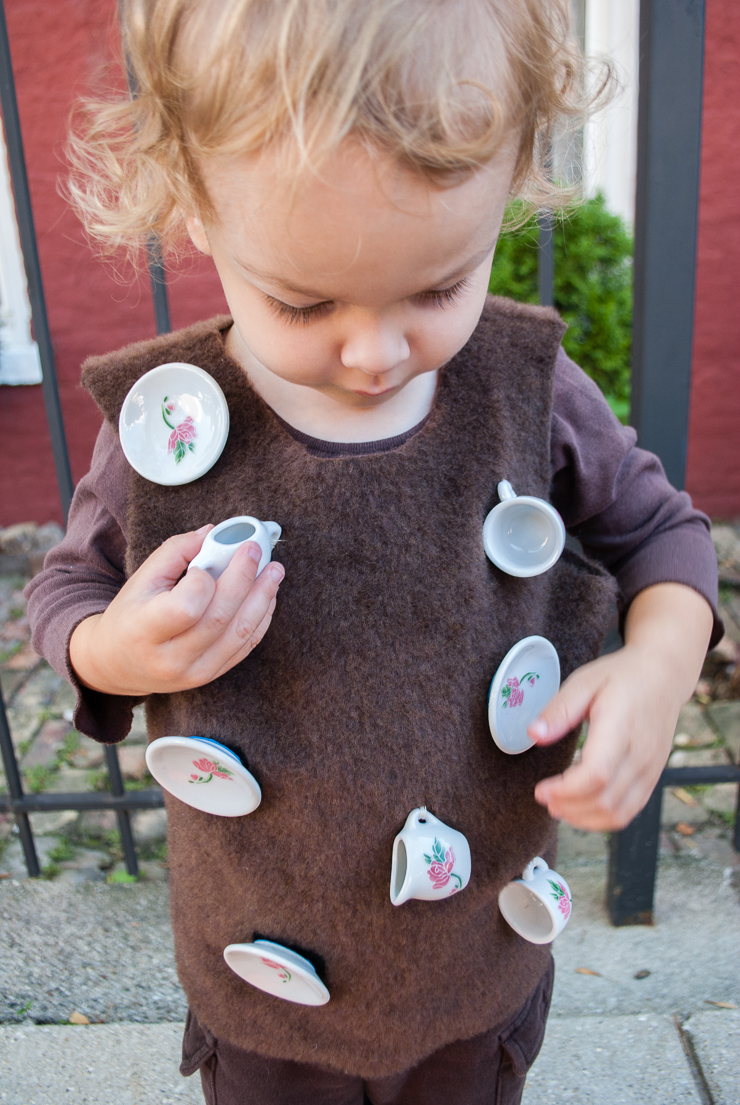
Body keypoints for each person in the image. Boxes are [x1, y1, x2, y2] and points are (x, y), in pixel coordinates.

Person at [27, 1, 720, 1102]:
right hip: (265, 981)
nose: (373, 351)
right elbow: (66, 594)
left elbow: (662, 539)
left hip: (469, 968)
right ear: (193, 204)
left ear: (510, 181)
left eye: (438, 286)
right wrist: (117, 651)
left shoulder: (525, 391)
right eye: (301, 299)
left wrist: (655, 662)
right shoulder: (168, 427)